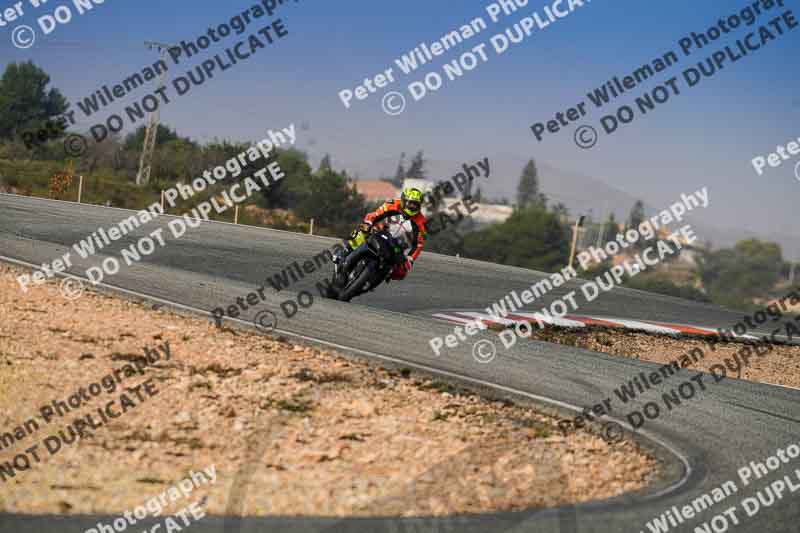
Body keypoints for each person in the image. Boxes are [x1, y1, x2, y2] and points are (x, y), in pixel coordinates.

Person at [334, 187, 427, 285]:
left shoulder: (421, 222)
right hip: (377, 232)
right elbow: (373, 215)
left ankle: (381, 275)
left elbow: (419, 244)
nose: (412, 206)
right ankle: (345, 253)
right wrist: (368, 223)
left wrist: (410, 259)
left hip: (395, 246)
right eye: (410, 202)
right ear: (404, 200)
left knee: (401, 272)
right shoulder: (393, 204)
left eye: (416, 204)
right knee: (362, 231)